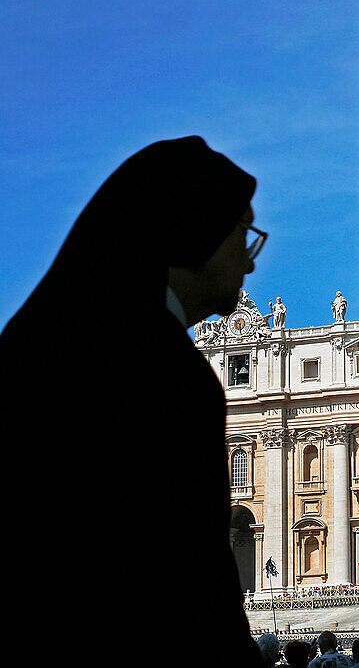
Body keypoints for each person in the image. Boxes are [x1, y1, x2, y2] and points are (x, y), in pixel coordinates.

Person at [0, 137, 264, 666]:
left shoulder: (43, 338)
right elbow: (191, 590)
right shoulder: (160, 374)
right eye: (245, 237)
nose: (251, 264)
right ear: (195, 229)